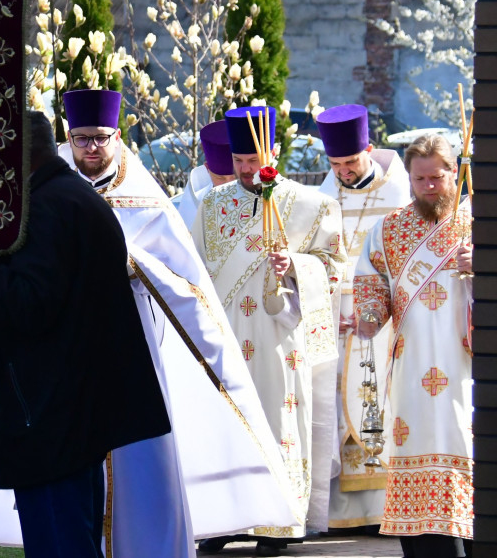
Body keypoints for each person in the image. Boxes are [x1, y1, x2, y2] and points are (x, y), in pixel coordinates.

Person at [0, 110, 171, 557]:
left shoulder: (53, 206)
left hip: (53, 410)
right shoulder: (56, 197)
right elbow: (31, 287)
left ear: (15, 156)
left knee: (61, 544)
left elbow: (31, 304)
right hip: (59, 409)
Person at [56, 90, 298, 547]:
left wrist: (131, 262)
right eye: (81, 138)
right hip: (66, 347)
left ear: (118, 136)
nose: (90, 147)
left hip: (132, 347)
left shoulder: (143, 198)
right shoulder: (50, 190)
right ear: (68, 137)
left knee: (140, 462)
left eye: (100, 138)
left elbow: (186, 282)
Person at [191, 106, 345, 557]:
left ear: (274, 151)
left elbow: (336, 269)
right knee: (226, 423)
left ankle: (277, 521)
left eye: (253, 160)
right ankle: (223, 519)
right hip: (227, 336)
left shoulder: (313, 205)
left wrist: (297, 266)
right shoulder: (211, 206)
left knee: (277, 421)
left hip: (281, 338)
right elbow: (195, 274)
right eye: (238, 161)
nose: (245, 170)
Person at [353, 133, 473, 558]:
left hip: (466, 367)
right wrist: (368, 317)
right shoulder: (388, 230)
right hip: (410, 370)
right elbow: (371, 283)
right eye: (419, 179)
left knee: (466, 440)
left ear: (453, 172)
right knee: (414, 444)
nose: (428, 186)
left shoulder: (476, 223)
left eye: (436, 178)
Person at [314, 104, 411, 529]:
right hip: (335, 324)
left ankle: (381, 510)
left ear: (368, 149)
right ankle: (338, 515)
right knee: (336, 410)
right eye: (335, 164)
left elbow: (405, 263)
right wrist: (324, 304)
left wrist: (378, 308)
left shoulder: (397, 195)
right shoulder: (324, 195)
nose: (344, 172)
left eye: (350, 162)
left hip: (381, 324)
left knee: (378, 406)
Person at [175, 119, 236, 228]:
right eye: (220, 178)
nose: (228, 185)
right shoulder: (194, 204)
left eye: (235, 178)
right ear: (207, 169)